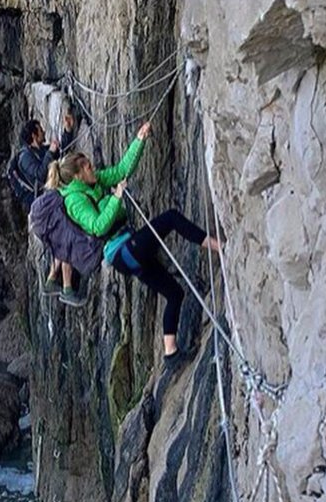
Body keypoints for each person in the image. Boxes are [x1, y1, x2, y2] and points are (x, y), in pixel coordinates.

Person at [52, 121, 220, 362]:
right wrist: (116, 198)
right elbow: (97, 226)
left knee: (174, 293)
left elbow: (121, 170)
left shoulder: (94, 181)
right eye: (88, 166)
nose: (93, 167)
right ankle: (218, 248)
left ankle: (170, 354)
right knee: (170, 218)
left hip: (128, 250)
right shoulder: (75, 201)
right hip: (120, 251)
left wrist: (140, 139)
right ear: (78, 175)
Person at [13, 114, 77, 297]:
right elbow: (40, 175)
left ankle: (51, 281)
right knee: (64, 236)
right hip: (41, 209)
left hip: (48, 205)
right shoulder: (25, 156)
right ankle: (66, 287)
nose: (43, 132)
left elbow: (60, 151)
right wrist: (50, 153)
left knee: (60, 239)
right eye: (40, 130)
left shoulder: (39, 150)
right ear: (34, 135)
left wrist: (67, 130)